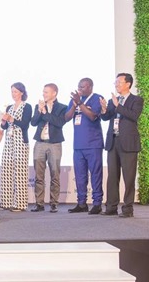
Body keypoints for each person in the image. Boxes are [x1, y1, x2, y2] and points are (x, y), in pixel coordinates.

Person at [100, 73, 144, 218]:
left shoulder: (136, 100)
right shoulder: (113, 100)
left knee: (129, 177)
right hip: (113, 141)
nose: (116, 84)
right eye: (116, 82)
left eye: (119, 82)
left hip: (128, 143)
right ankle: (111, 207)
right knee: (112, 176)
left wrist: (118, 105)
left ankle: (127, 208)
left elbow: (133, 116)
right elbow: (107, 118)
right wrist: (104, 109)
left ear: (128, 84)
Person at [64, 78, 104, 214]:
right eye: (78, 86)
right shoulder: (75, 99)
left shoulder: (97, 98)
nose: (80, 89)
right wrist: (75, 105)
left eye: (83, 86)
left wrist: (80, 103)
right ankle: (81, 203)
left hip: (93, 144)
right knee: (80, 176)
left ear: (90, 87)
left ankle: (97, 203)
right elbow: (67, 117)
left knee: (95, 175)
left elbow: (93, 116)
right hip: (78, 145)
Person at [30, 83, 67, 213]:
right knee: (39, 175)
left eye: (46, 92)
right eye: (43, 92)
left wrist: (45, 113)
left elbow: (59, 122)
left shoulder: (62, 107)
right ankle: (39, 203)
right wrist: (40, 112)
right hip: (40, 143)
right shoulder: (38, 106)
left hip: (55, 143)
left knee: (55, 174)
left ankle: (54, 203)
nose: (43, 94)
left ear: (54, 93)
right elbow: (33, 122)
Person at [0, 82, 32, 212]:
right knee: (6, 169)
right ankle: (6, 202)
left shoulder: (27, 107)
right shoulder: (9, 107)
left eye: (16, 92)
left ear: (22, 92)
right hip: (9, 141)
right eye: (12, 92)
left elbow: (25, 125)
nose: (14, 94)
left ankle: (21, 204)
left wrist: (12, 119)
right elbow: (5, 127)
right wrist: (3, 121)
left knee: (20, 171)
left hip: (20, 142)